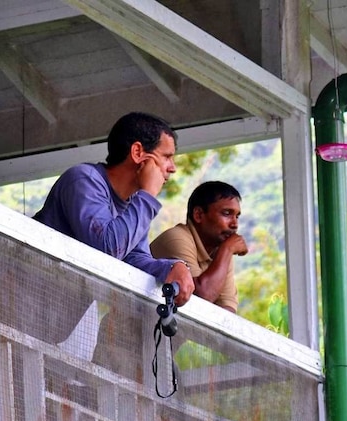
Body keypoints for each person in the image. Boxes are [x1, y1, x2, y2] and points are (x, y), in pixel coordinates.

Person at [34, 111, 193, 305]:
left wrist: (174, 266)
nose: (172, 167)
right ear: (137, 153)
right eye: (167, 157)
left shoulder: (135, 202)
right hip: (28, 300)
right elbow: (106, 251)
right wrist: (148, 194)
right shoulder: (83, 179)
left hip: (62, 312)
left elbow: (135, 260)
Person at [150, 181, 247, 312]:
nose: (234, 224)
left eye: (237, 216)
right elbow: (201, 298)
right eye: (226, 213)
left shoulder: (222, 251)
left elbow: (227, 311)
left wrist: (225, 251)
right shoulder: (177, 238)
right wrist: (227, 250)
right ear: (199, 215)